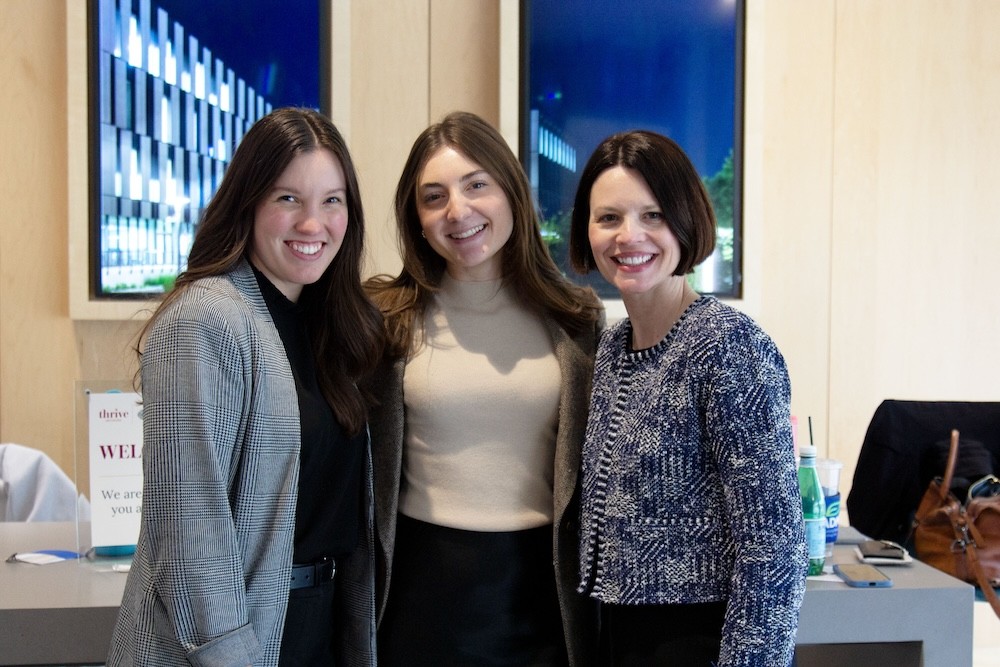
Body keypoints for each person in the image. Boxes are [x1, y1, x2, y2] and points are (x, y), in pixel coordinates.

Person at [107, 107, 384, 667]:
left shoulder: (328, 324)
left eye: (332, 201)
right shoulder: (206, 319)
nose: (314, 224)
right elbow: (190, 533)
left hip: (318, 625)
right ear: (249, 203)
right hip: (233, 640)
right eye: (288, 199)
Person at [364, 111, 604, 666]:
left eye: (477, 185)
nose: (458, 210)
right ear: (417, 218)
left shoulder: (576, 319)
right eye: (434, 196)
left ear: (511, 193)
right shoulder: (384, 316)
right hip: (419, 593)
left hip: (542, 593)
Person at [568, 130, 807, 666]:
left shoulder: (729, 346)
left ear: (686, 220)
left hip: (699, 639)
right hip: (616, 634)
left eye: (652, 215)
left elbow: (774, 549)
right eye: (609, 218)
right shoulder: (611, 346)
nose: (629, 236)